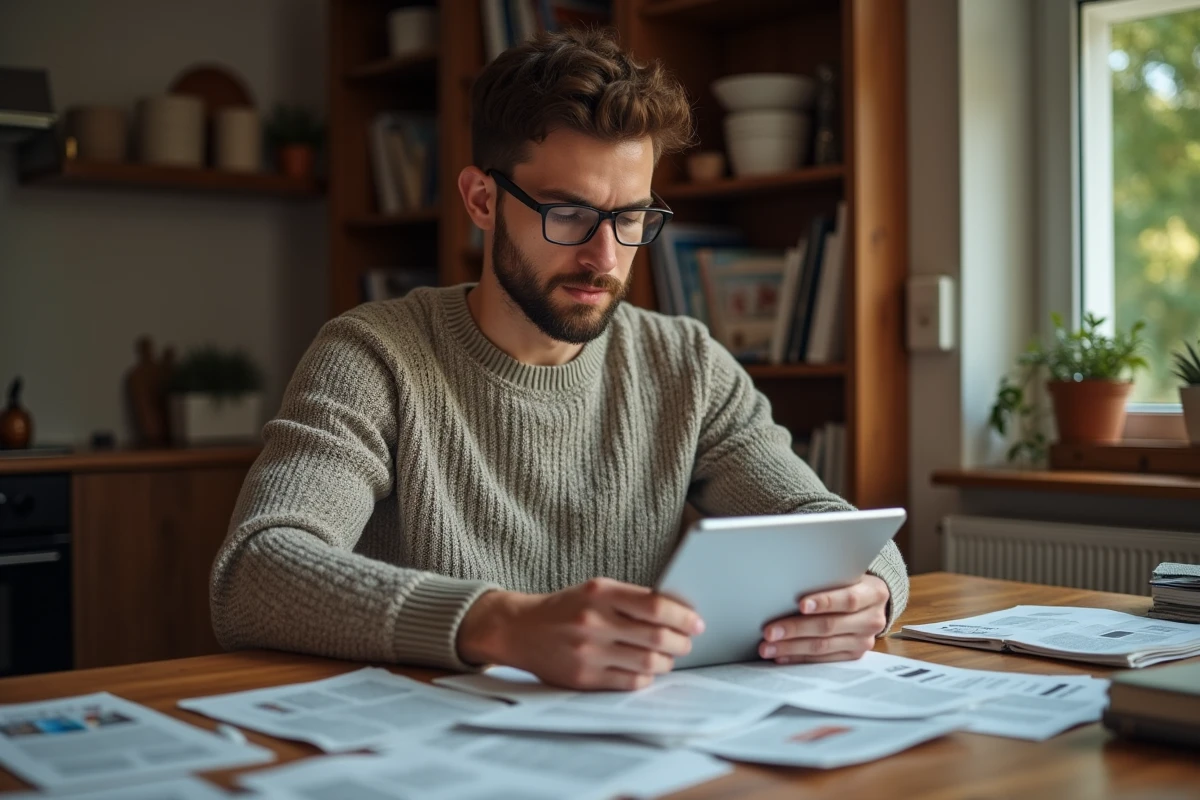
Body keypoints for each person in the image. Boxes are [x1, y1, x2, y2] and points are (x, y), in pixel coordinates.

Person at [211, 27, 907, 691]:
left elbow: (823, 520)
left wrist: (872, 591)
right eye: (568, 214)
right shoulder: (372, 356)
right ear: (482, 200)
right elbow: (256, 570)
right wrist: (502, 625)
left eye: (629, 218)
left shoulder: (687, 365)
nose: (604, 257)